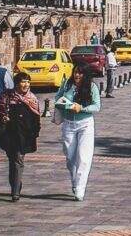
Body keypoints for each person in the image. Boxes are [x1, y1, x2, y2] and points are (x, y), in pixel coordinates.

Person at [55, 64, 101, 201]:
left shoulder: (91, 87)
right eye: (75, 72)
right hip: (69, 124)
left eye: (80, 73)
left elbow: (96, 106)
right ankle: (75, 182)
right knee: (70, 157)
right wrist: (63, 104)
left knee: (83, 158)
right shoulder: (67, 85)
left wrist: (82, 108)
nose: (77, 75)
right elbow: (57, 98)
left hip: (85, 124)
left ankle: (80, 189)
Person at [0, 71, 41, 202]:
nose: (26, 85)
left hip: (24, 135)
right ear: (16, 84)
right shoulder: (6, 97)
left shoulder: (32, 99)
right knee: (13, 160)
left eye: (28, 82)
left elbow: (36, 117)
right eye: (23, 82)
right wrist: (2, 117)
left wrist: (35, 132)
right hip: (9, 134)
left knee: (18, 160)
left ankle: (15, 191)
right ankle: (15, 185)